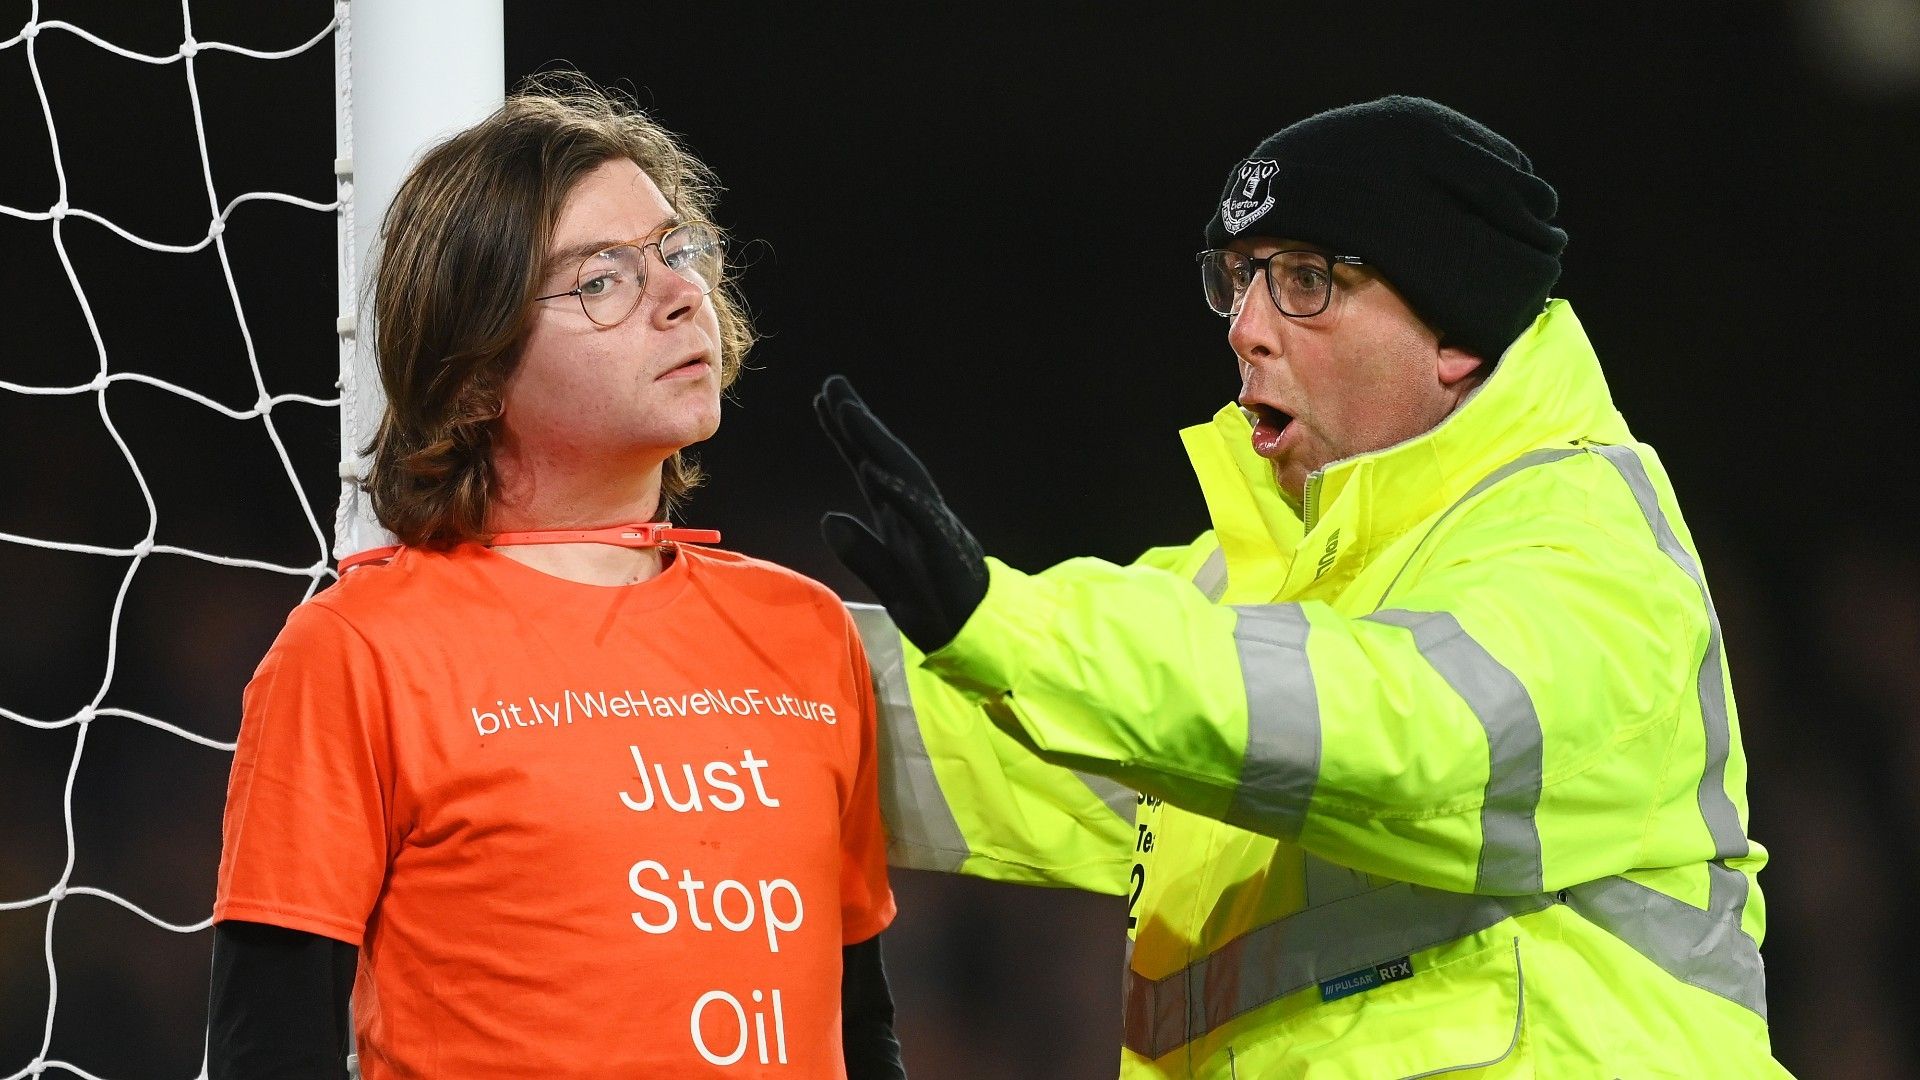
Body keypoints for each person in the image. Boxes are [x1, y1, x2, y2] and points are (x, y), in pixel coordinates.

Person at [818, 95, 1788, 1077]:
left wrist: (1008, 626)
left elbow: (1407, 728)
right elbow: (973, 738)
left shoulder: (1584, 535)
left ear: (1456, 330)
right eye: (1237, 279)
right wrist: (732, 665)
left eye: (1307, 280)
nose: (1245, 328)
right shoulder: (1249, 588)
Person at [208, 75, 903, 1079]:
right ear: (474, 375)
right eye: (602, 281)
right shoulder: (356, 652)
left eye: (677, 251)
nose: (681, 295)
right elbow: (268, 1051)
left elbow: (862, 1023)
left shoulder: (806, 628)